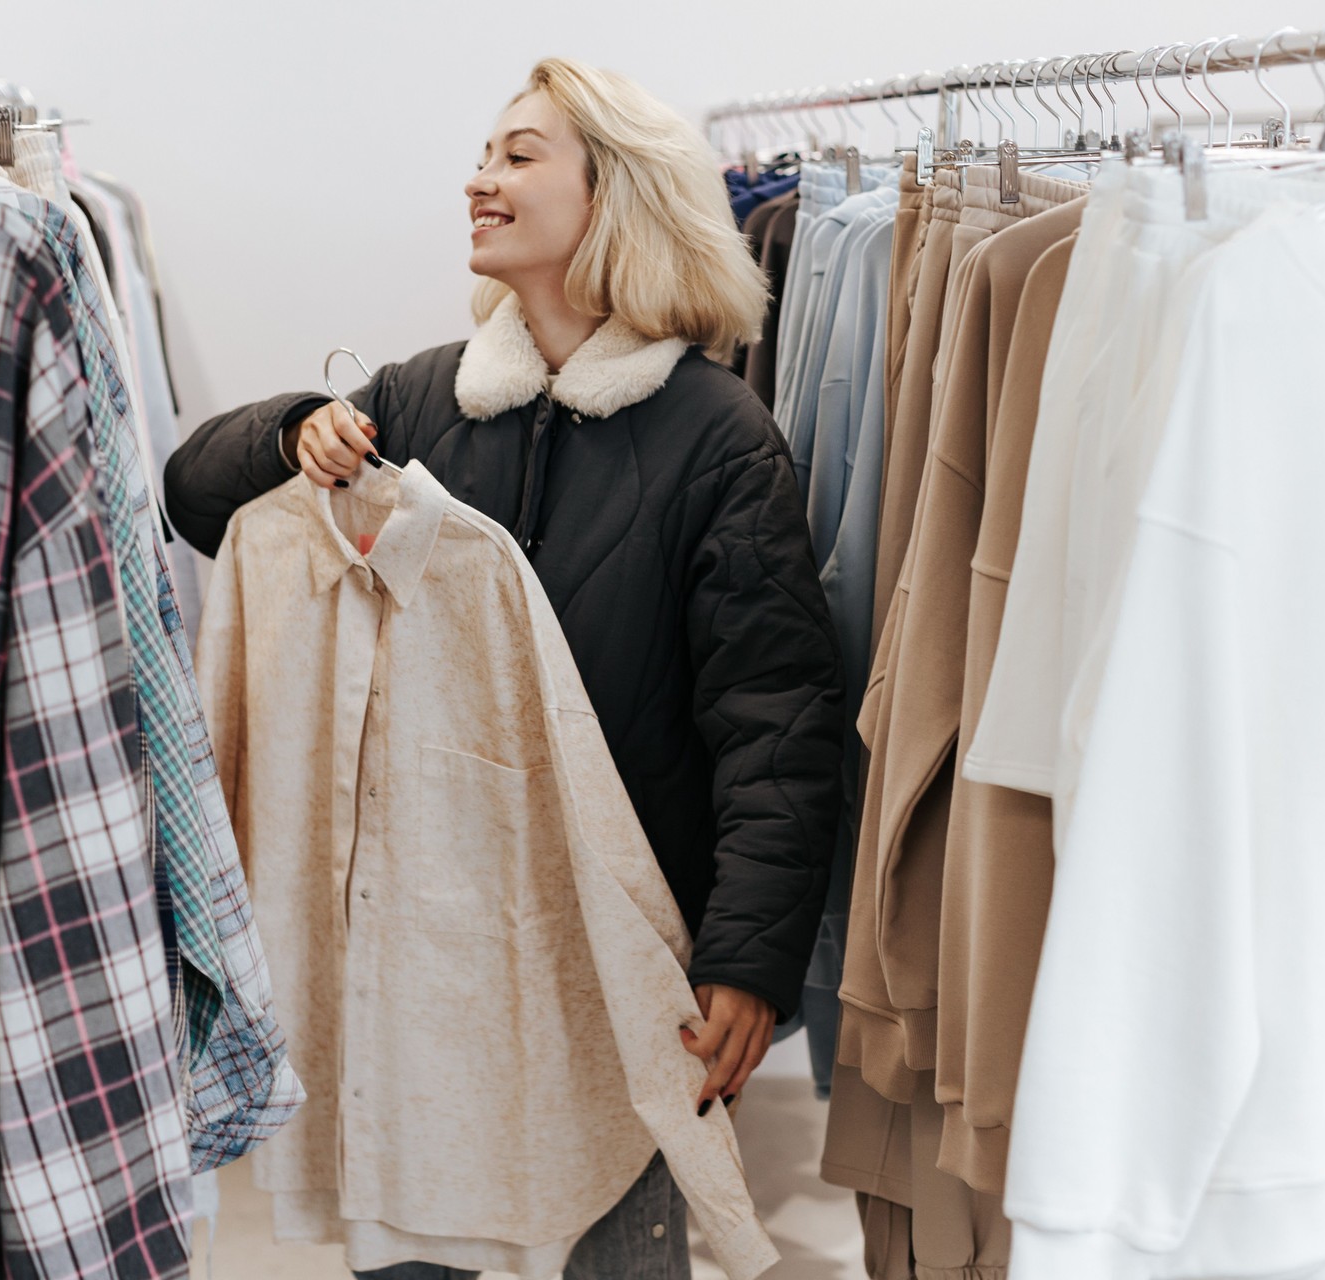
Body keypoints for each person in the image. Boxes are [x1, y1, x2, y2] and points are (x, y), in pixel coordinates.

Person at [165, 56, 846, 1279]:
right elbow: (198, 501)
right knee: (412, 1248)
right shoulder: (424, 401)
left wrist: (745, 955)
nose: (478, 180)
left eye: (518, 155)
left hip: (615, 945)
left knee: (619, 1252)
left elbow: (775, 718)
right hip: (430, 943)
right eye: (486, 154)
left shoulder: (717, 439)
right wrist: (285, 429)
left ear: (615, 194)